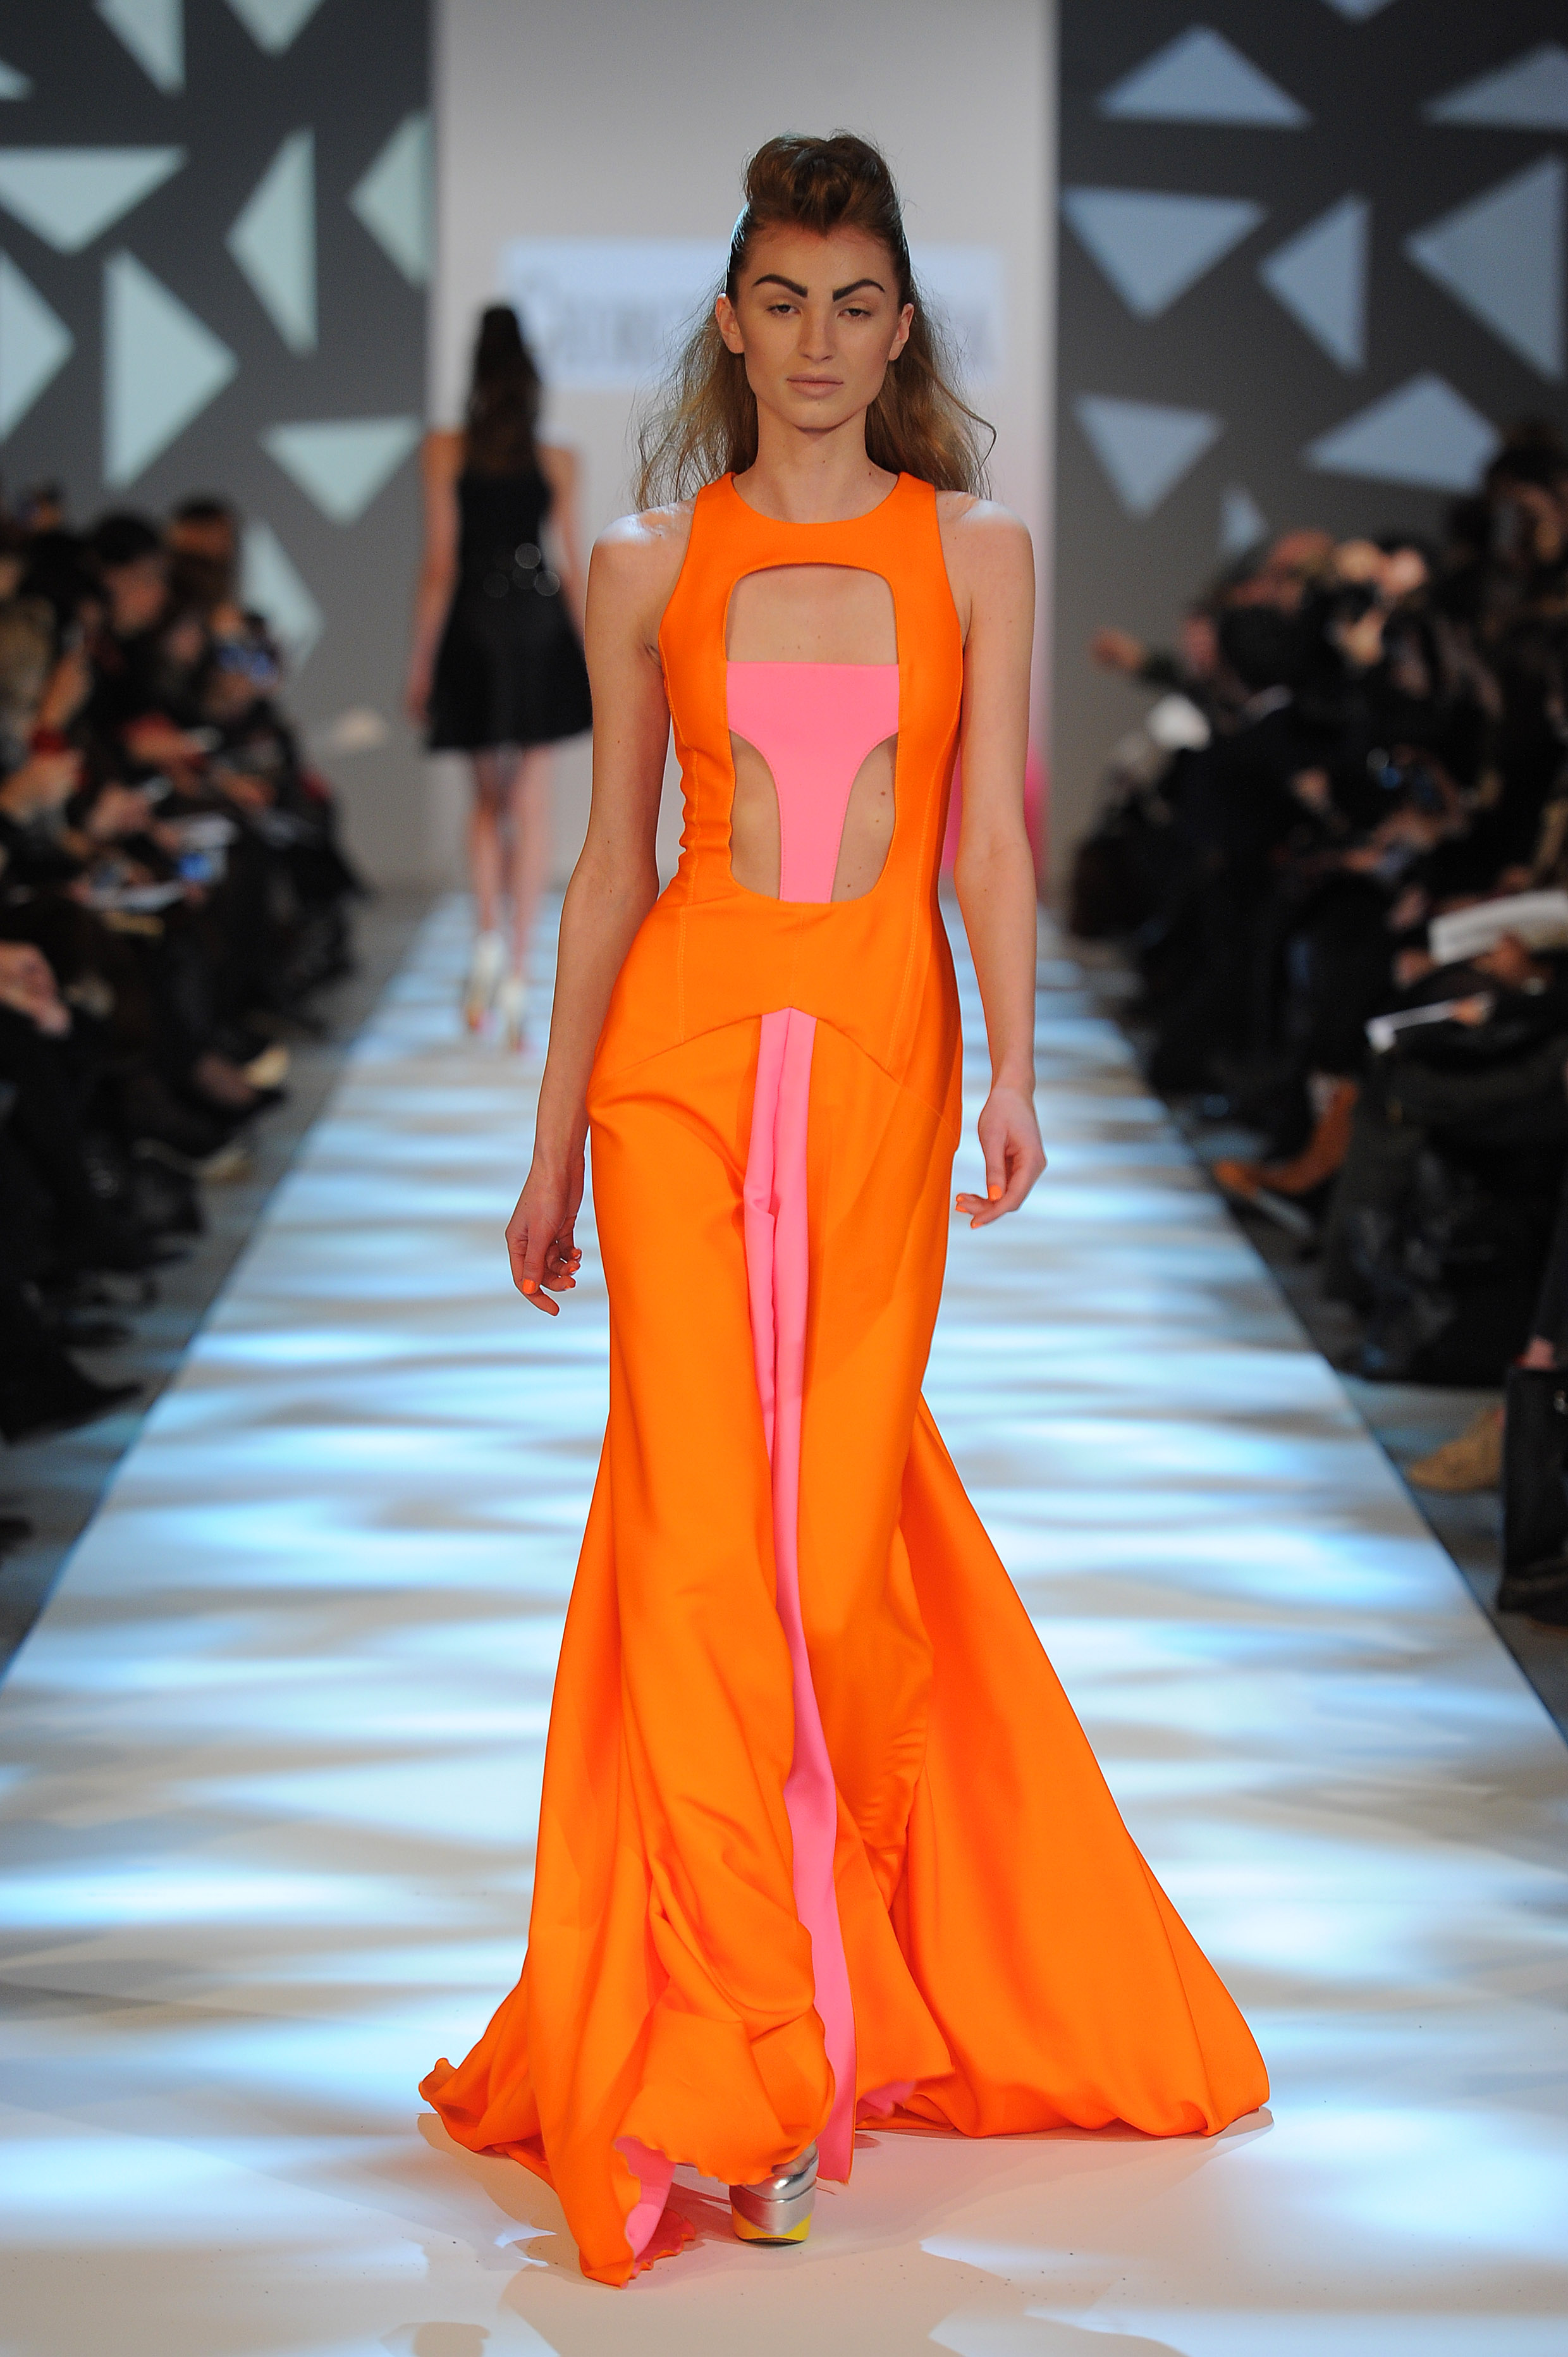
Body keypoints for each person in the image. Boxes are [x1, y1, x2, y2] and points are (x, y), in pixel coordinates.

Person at [420, 133, 1266, 2286]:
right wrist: (549, 1143)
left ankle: (833, 1975)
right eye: (783, 300)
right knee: (705, 1545)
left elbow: (986, 840)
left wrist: (1017, 1066)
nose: (816, 340)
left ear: (901, 330)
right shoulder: (646, 560)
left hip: (884, 1058)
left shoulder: (974, 548)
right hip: (677, 1069)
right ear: (732, 320)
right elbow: (613, 863)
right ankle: (750, 2061)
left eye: (855, 303)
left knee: (829, 1554)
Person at [405, 307, 592, 1047]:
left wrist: (421, 664)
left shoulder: (444, 451)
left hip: (476, 627)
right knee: (532, 803)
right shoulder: (558, 458)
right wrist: (597, 654)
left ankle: (486, 938)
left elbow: (439, 563)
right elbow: (571, 565)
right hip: (539, 623)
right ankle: (518, 968)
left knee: (487, 801)